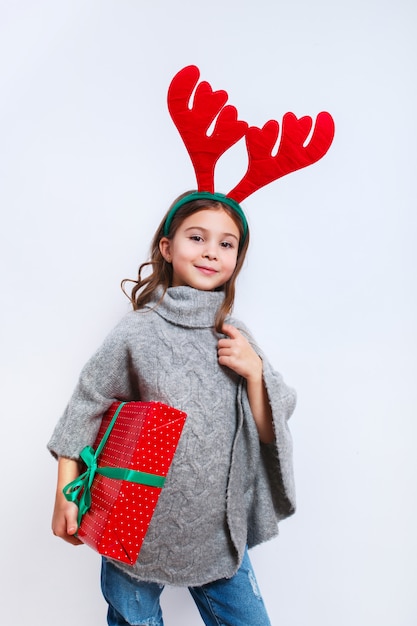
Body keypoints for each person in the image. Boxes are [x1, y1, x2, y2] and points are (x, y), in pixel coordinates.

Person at [48, 190, 297, 626]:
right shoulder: (138, 331)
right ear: (167, 247)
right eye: (197, 237)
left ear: (238, 258)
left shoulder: (235, 336)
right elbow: (87, 401)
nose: (210, 252)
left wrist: (256, 374)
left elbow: (268, 426)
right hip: (134, 527)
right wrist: (64, 493)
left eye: (226, 243)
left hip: (217, 531)